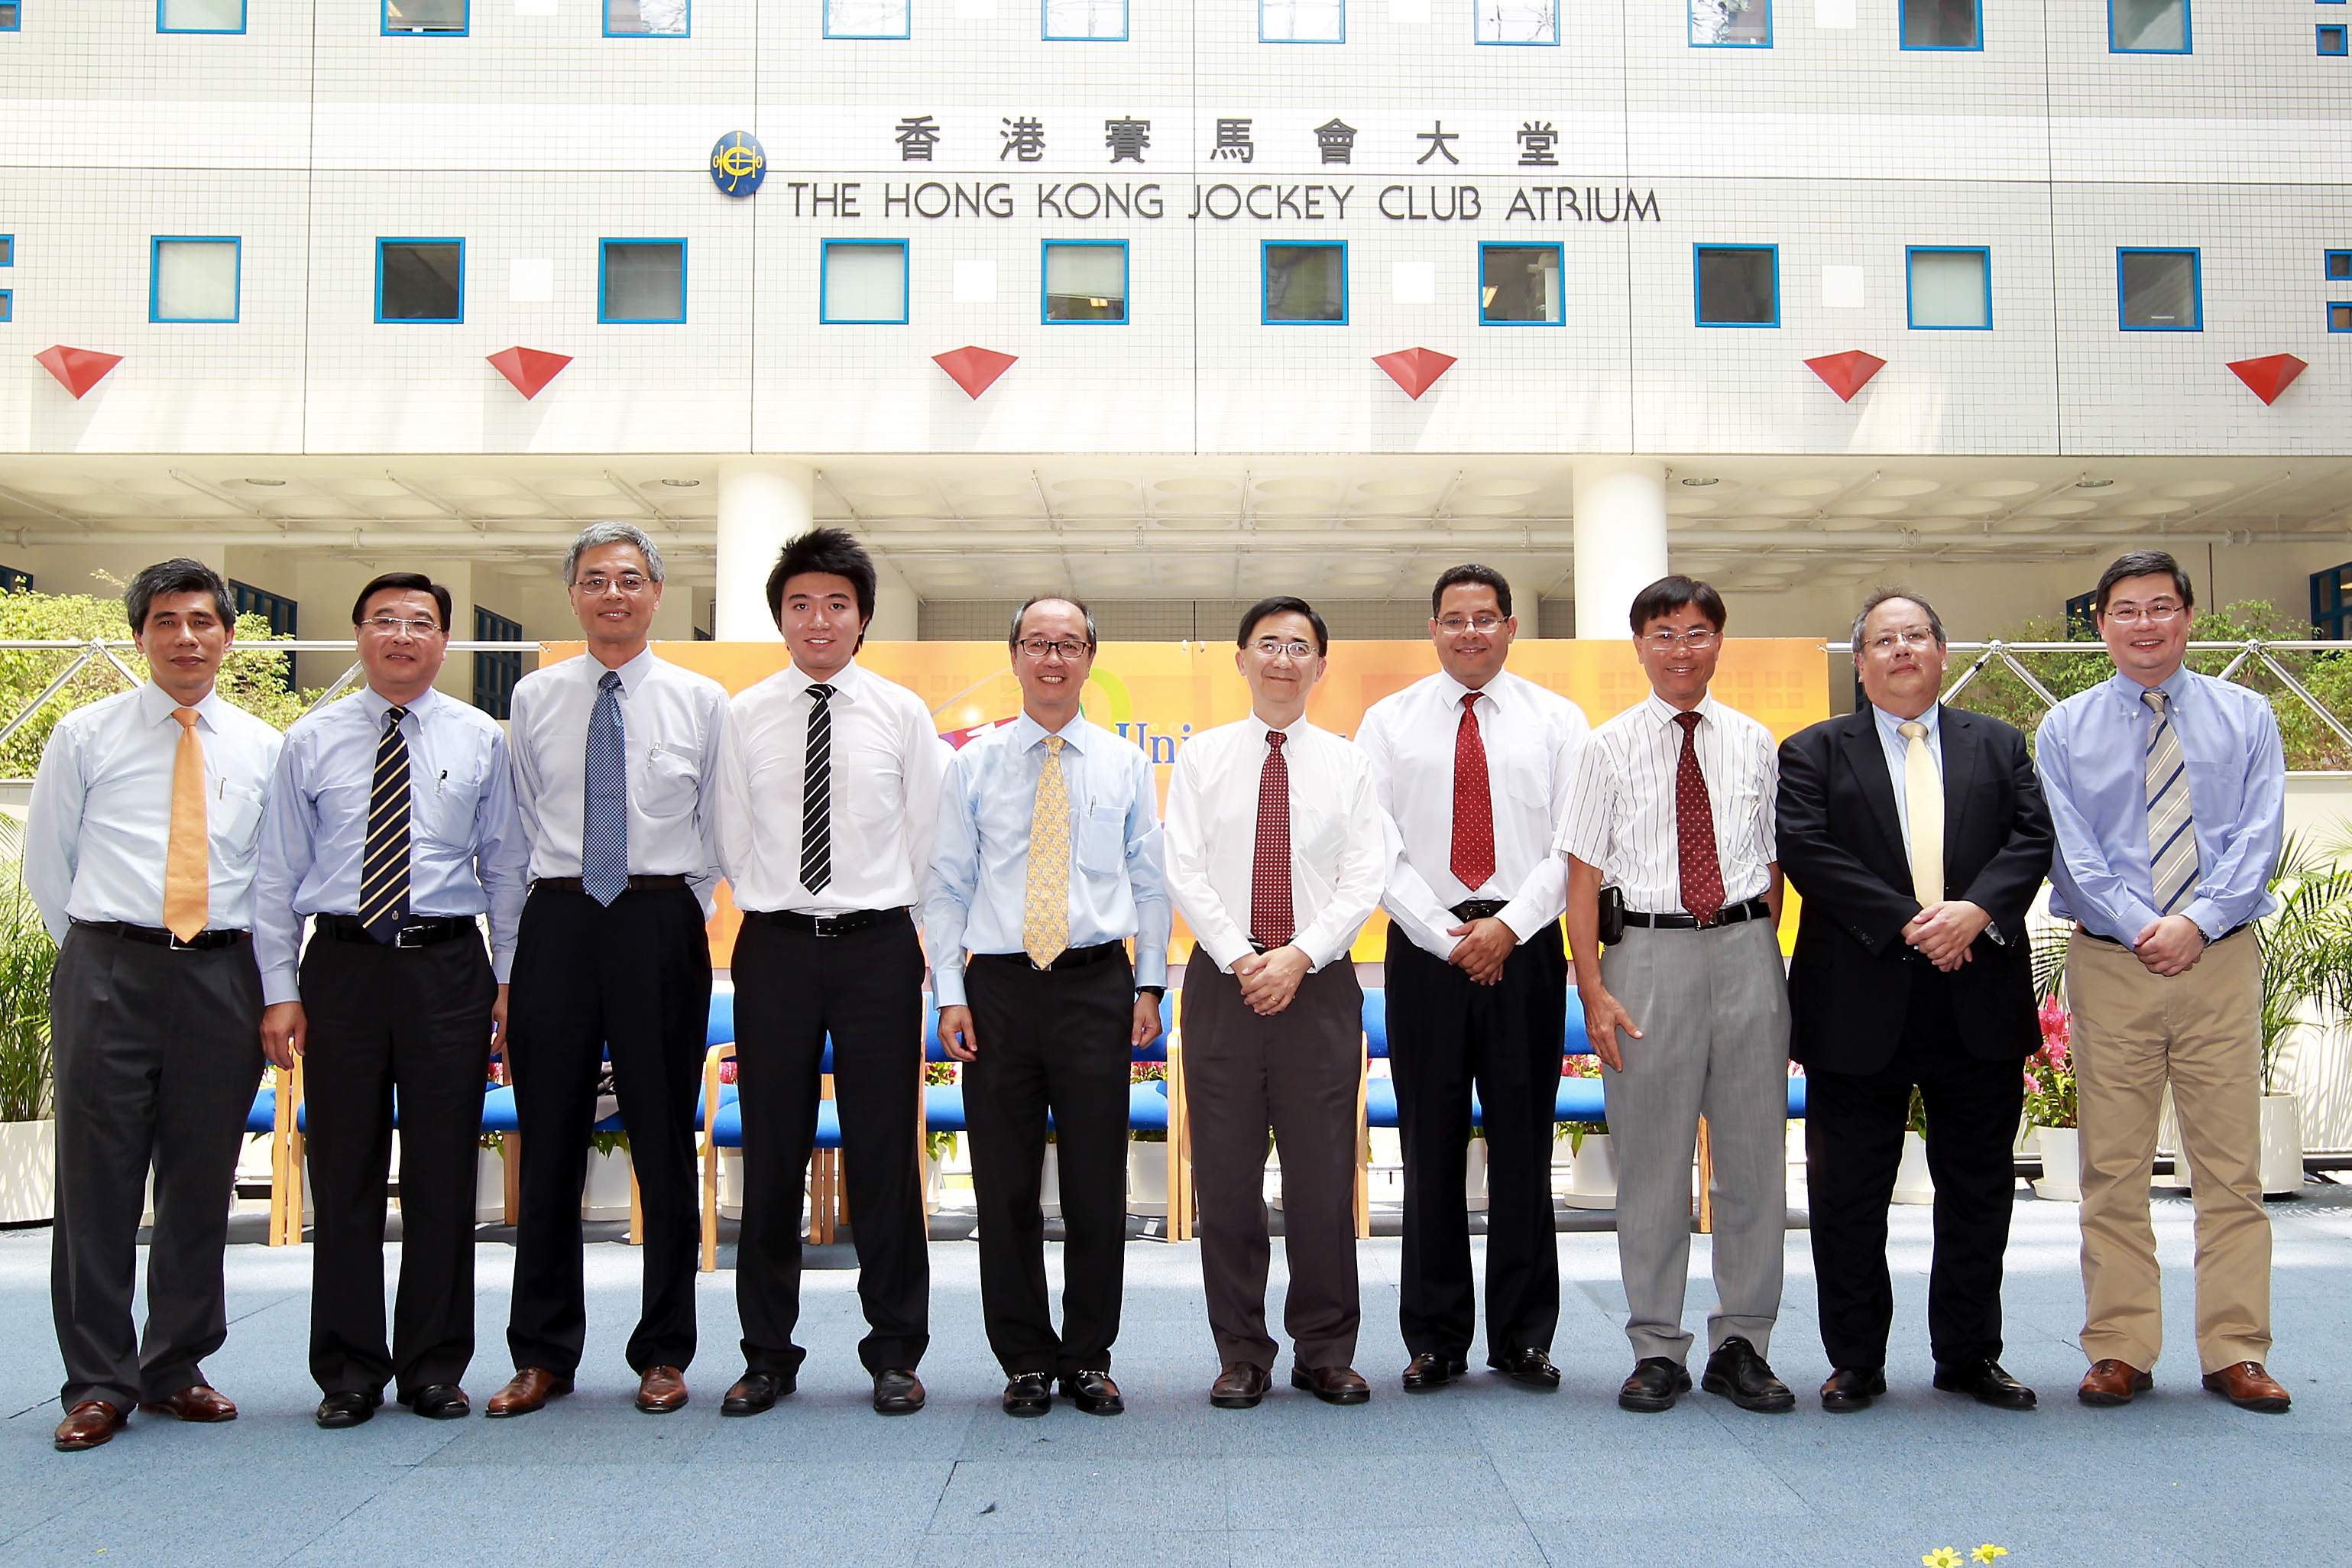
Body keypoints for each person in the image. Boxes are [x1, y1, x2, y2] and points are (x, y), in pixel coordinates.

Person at [254, 572, 528, 1428]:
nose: (402, 635)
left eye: (420, 623)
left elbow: (508, 869)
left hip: (446, 968)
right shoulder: (309, 740)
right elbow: (273, 876)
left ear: (445, 642)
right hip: (338, 968)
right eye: (384, 621)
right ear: (359, 635)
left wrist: (510, 980)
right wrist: (278, 990)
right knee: (344, 1173)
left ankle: (434, 1368)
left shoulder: (482, 739)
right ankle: (346, 1371)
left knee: (446, 1172)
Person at [27, 559, 283, 1452]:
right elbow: (48, 867)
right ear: (140, 635)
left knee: (200, 1178)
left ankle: (177, 1365)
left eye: (203, 622)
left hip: (222, 974)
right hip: (110, 965)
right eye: (166, 622)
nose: (186, 639)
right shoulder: (85, 734)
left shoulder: (262, 747)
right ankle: (98, 1380)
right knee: (97, 1183)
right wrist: (106, 956)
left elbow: (273, 880)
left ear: (228, 635)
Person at [1777, 589, 2052, 1414]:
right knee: (1849, 1195)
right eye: (1883, 640)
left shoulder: (1999, 743)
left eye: (1917, 636)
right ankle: (1856, 1358)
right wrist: (1908, 922)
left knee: (1978, 1190)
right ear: (1860, 664)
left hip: (1978, 992)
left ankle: (1969, 1353)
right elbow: (1806, 849)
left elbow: (2032, 838)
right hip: (1859, 1000)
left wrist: (1975, 912)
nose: (1902, 650)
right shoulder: (1814, 750)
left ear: (1942, 652)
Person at [2037, 549, 2291, 1414]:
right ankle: (2119, 1347)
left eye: (2160, 607)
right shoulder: (2063, 728)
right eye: (2125, 611)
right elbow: (2072, 849)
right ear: (2100, 624)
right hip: (2112, 961)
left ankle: (2235, 1349)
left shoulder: (2248, 715)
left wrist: (2198, 920)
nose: (2144, 625)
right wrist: (2144, 923)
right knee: (2112, 1168)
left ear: (2188, 616)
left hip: (2220, 958)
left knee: (2232, 1170)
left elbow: (2260, 835)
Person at [490, 522, 728, 1419]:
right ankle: (542, 1354)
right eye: (596, 580)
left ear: (657, 594)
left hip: (658, 920)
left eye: (631, 579)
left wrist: (670, 918)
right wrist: (511, 966)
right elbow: (514, 834)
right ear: (575, 596)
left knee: (662, 1144)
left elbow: (717, 830)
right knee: (547, 1140)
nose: (614, 594)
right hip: (556, 919)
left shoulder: (702, 700)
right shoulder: (536, 697)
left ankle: (664, 1351)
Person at [714, 527, 946, 1418]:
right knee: (771, 1151)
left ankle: (895, 1351)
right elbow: (731, 835)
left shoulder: (900, 713)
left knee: (884, 1150)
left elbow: (928, 843)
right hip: (774, 944)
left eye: (837, 605)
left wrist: (933, 958)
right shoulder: (744, 715)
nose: (819, 620)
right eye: (802, 604)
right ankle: (767, 1353)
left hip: (877, 946)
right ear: (780, 617)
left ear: (863, 620)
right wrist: (780, 901)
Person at [1556, 575, 1793, 1416]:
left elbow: (1771, 868)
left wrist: (1762, 959)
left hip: (1745, 950)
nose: (1681, 649)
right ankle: (1656, 1346)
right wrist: (1593, 989)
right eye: (1664, 634)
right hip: (1644, 960)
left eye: (1697, 633)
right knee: (1653, 1166)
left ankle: (1744, 1343)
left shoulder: (1757, 741)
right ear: (1640, 646)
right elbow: (1580, 877)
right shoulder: (1605, 746)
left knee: (1754, 1165)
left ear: (1719, 642)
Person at [928, 595, 1170, 1419]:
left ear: (1090, 658)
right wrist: (949, 994)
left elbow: (1149, 881)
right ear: (1015, 655)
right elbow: (946, 886)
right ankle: (1026, 1358)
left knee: (1098, 1184)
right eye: (1038, 643)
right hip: (997, 988)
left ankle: (1089, 1356)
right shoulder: (974, 765)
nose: (1053, 658)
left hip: (1096, 985)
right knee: (1003, 1186)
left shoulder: (1123, 764)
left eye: (1069, 644)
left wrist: (1149, 983)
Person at [1356, 564, 1588, 1393]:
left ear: (1512, 626)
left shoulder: (1559, 721)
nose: (1470, 633)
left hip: (1523, 947)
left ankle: (1524, 1336)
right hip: (1427, 953)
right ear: (1433, 630)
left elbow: (1573, 843)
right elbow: (1374, 847)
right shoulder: (1386, 723)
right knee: (1430, 1145)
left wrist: (1508, 928)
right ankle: (1436, 1338)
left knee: (1525, 1143)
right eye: (1454, 620)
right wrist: (1445, 934)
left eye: (1486, 618)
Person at [1165, 596, 1385, 1410]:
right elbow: (1182, 867)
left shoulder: (1348, 764)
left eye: (1300, 646)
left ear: (1321, 666)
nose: (1284, 659)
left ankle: (1326, 1349)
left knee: (1324, 1181)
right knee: (1224, 1182)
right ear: (1242, 659)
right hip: (1224, 984)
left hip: (1319, 981)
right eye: (1269, 644)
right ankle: (1243, 1352)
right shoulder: (1202, 760)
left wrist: (1296, 955)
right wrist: (1241, 957)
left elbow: (1366, 875)